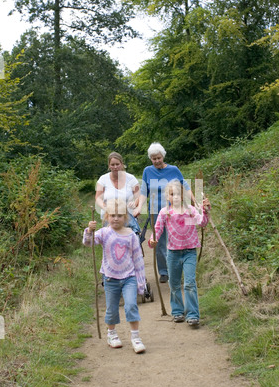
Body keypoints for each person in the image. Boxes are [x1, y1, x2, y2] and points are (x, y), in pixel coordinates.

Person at [83, 198, 146, 353]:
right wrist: (89, 231)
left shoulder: (131, 235)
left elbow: (138, 259)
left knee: (131, 305)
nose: (116, 218)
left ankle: (135, 337)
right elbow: (89, 243)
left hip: (129, 277)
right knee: (111, 309)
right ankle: (112, 334)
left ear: (126, 217)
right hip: (110, 278)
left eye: (119, 215)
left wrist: (141, 282)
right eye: (112, 215)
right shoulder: (104, 233)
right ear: (106, 217)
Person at [148, 179, 210, 327]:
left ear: (183, 195)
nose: (175, 197)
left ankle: (193, 315)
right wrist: (152, 240)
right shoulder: (165, 213)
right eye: (172, 194)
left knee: (189, 283)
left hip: (189, 252)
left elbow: (202, 222)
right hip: (173, 253)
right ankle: (177, 312)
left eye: (178, 194)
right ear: (167, 197)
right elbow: (157, 230)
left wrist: (205, 212)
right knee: (174, 283)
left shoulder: (190, 210)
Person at [133, 143, 195, 283]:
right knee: (159, 243)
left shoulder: (174, 170)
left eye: (158, 158)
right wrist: (139, 207)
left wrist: (194, 201)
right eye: (153, 159)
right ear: (150, 159)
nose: (156, 161)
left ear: (163, 156)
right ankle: (164, 271)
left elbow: (185, 186)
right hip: (155, 212)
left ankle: (177, 270)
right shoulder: (147, 171)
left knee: (175, 240)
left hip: (175, 212)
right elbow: (143, 192)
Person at [95, 152, 140, 234]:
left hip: (128, 218)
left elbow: (138, 196)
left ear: (122, 164)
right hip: (109, 219)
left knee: (130, 244)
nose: (115, 167)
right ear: (109, 165)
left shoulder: (131, 179)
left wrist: (135, 203)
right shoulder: (103, 179)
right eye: (112, 164)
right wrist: (104, 207)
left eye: (117, 164)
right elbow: (98, 198)